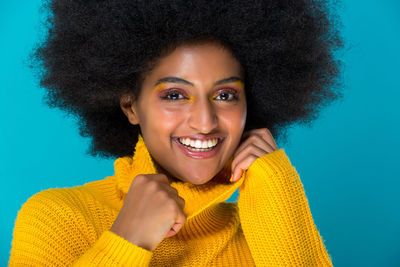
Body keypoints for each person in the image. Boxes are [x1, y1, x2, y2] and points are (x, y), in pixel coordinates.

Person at [9, 0, 343, 265]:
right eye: (174, 95)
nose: (204, 122)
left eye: (226, 95)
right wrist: (128, 239)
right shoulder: (59, 217)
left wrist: (280, 196)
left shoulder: (265, 231)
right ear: (130, 107)